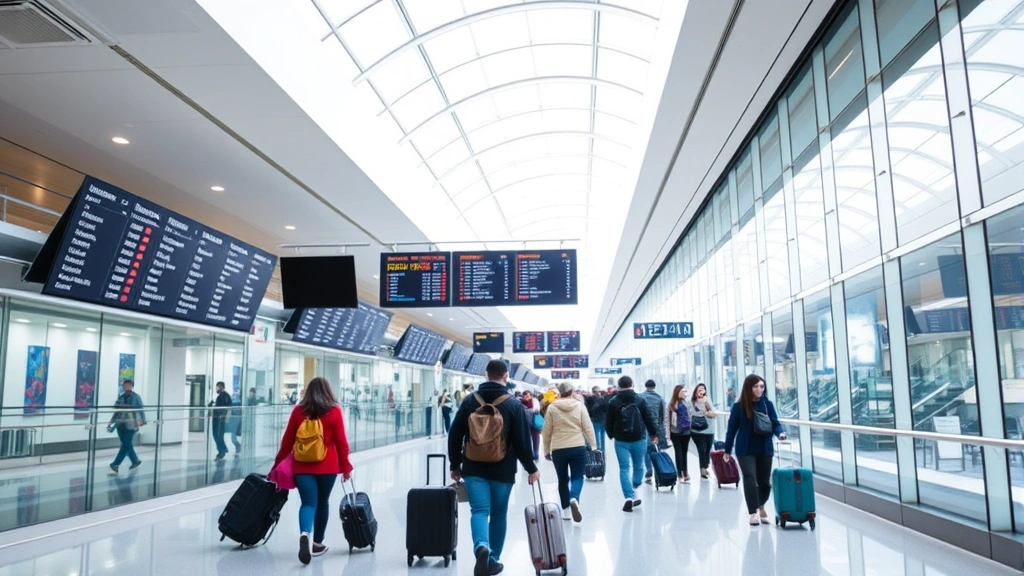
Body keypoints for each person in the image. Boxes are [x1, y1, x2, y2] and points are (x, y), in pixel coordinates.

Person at [449, 360, 539, 576]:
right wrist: (531, 468)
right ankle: (493, 559)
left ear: (486, 375)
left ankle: (481, 545)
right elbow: (522, 441)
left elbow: (455, 433)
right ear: (506, 376)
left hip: (473, 466)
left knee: (479, 510)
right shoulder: (514, 404)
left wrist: (455, 463)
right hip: (503, 469)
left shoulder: (470, 401)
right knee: (499, 514)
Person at [273, 377, 353, 564]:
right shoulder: (334, 412)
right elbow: (341, 443)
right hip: (328, 467)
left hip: (302, 467)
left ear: (308, 392)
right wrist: (346, 468)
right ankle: (317, 543)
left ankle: (304, 534)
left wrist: (276, 467)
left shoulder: (298, 412)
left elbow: (286, 443)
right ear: (328, 392)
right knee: (323, 503)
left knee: (308, 503)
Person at [723, 374, 787, 527]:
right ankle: (753, 513)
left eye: (762, 386)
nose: (760, 389)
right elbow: (731, 430)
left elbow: (775, 423)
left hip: (765, 447)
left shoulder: (767, 404)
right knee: (750, 479)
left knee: (764, 482)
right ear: (749, 388)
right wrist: (727, 450)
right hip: (745, 449)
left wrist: (780, 433)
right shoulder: (738, 407)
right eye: (756, 386)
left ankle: (761, 506)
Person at [542, 382, 597, 523]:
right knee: (578, 476)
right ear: (572, 391)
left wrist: (546, 449)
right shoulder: (579, 406)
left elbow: (547, 430)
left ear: (559, 393)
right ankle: (574, 498)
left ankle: (566, 511)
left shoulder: (552, 407)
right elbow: (587, 426)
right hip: (577, 446)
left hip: (558, 448)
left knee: (562, 479)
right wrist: (593, 445)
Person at [605, 376, 659, 512]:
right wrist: (654, 434)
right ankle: (635, 485)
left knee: (624, 468)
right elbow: (648, 418)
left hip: (621, 440)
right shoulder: (640, 400)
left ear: (619, 385)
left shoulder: (613, 401)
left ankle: (628, 496)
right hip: (639, 438)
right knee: (638, 465)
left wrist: (611, 434)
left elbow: (608, 422)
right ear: (632, 384)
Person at [108, 379, 145, 473]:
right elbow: (117, 411)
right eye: (125, 385)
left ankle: (115, 464)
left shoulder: (136, 397)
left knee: (125, 445)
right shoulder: (121, 397)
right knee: (127, 444)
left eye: (128, 385)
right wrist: (111, 422)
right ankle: (135, 461)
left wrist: (142, 420)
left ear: (132, 386)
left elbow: (141, 409)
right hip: (120, 424)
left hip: (131, 424)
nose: (127, 387)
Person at [640, 379, 667, 484]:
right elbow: (663, 414)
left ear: (646, 386)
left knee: (646, 449)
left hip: (645, 427)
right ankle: (658, 471)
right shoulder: (660, 398)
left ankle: (649, 470)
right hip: (657, 427)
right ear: (654, 386)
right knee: (656, 449)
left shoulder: (640, 397)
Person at [690, 383, 718, 479]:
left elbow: (714, 413)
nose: (701, 392)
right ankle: (703, 470)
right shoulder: (692, 402)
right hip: (696, 431)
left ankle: (705, 466)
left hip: (709, 430)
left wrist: (706, 403)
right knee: (702, 449)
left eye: (703, 390)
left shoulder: (707, 400)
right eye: (699, 390)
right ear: (695, 392)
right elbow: (692, 413)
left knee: (707, 451)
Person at [668, 384, 692, 482]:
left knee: (684, 452)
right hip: (676, 431)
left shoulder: (686, 403)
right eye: (683, 391)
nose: (685, 393)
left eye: (686, 391)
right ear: (678, 392)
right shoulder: (672, 404)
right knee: (678, 453)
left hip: (686, 431)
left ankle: (685, 471)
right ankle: (680, 474)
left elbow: (690, 415)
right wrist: (667, 434)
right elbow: (668, 419)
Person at [208, 381, 232, 460]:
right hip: (219, 418)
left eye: (217, 387)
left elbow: (226, 407)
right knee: (219, 434)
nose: (216, 388)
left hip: (219, 418)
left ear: (221, 387)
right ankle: (222, 449)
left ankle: (222, 450)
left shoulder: (224, 396)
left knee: (216, 434)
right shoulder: (221, 396)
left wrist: (214, 408)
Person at [584, 387, 608, 452]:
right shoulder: (602, 399)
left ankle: (597, 447)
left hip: (594, 418)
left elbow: (587, 409)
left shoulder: (589, 399)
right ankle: (602, 448)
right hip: (603, 418)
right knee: (602, 433)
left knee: (596, 433)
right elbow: (605, 409)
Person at [520, 391, 542, 460]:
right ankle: (528, 453)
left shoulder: (535, 403)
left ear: (531, 396)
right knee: (527, 439)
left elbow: (537, 411)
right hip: (525, 424)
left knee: (536, 438)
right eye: (524, 396)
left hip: (534, 423)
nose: (526, 397)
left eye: (528, 396)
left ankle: (536, 453)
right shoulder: (520, 403)